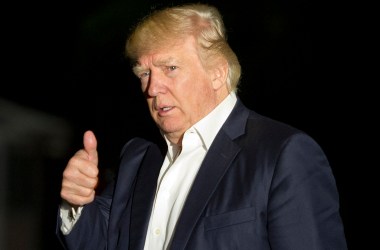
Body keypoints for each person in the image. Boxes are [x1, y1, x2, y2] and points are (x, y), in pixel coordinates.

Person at [56, 3, 347, 250]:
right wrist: (76, 203)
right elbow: (99, 240)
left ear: (218, 74)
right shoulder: (139, 157)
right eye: (144, 73)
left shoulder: (283, 153)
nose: (153, 87)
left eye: (170, 68)